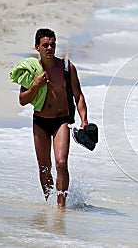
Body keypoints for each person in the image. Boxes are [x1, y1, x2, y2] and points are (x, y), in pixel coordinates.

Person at [17, 28, 88, 211]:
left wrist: (84, 120)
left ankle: (61, 207)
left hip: (61, 121)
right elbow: (23, 100)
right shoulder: (31, 70)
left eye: (52, 44)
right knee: (44, 167)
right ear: (37, 47)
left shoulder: (66, 67)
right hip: (40, 121)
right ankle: (49, 200)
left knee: (61, 162)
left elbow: (78, 96)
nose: (49, 48)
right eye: (45, 45)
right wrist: (35, 85)